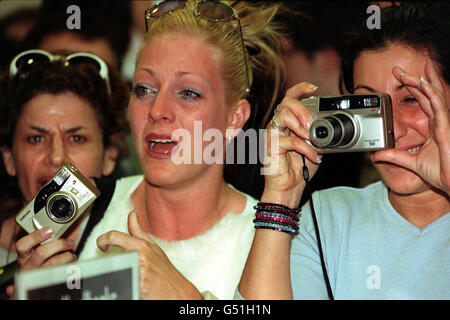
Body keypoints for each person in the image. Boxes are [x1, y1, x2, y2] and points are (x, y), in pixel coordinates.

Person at [14, 1, 286, 300]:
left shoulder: (268, 237)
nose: (157, 110)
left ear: (234, 118)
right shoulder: (78, 217)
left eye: (189, 93)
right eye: (144, 89)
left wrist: (187, 300)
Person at [239, 3, 450, 299]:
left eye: (412, 100)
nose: (394, 129)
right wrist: (281, 195)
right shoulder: (327, 217)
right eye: (372, 107)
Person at [0, 49, 129, 286]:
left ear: (110, 156)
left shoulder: (134, 245)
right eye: (36, 139)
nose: (57, 157)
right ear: (9, 159)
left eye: (77, 138)